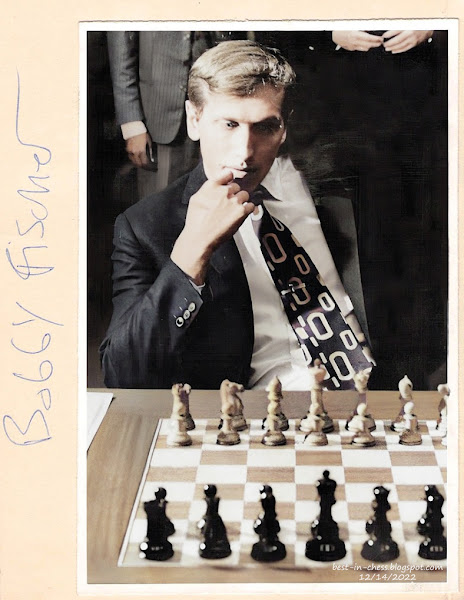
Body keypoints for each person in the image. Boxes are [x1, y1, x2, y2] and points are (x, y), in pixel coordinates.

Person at [100, 40, 371, 390]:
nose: (244, 153)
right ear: (194, 121)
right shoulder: (145, 226)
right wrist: (191, 252)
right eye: (229, 125)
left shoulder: (334, 193)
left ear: (283, 127)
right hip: (260, 420)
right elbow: (124, 376)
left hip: (373, 398)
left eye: (264, 127)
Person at [107, 31, 247, 198]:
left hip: (215, 114)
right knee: (158, 210)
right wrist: (132, 123)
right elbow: (121, 58)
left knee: (212, 202)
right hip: (159, 119)